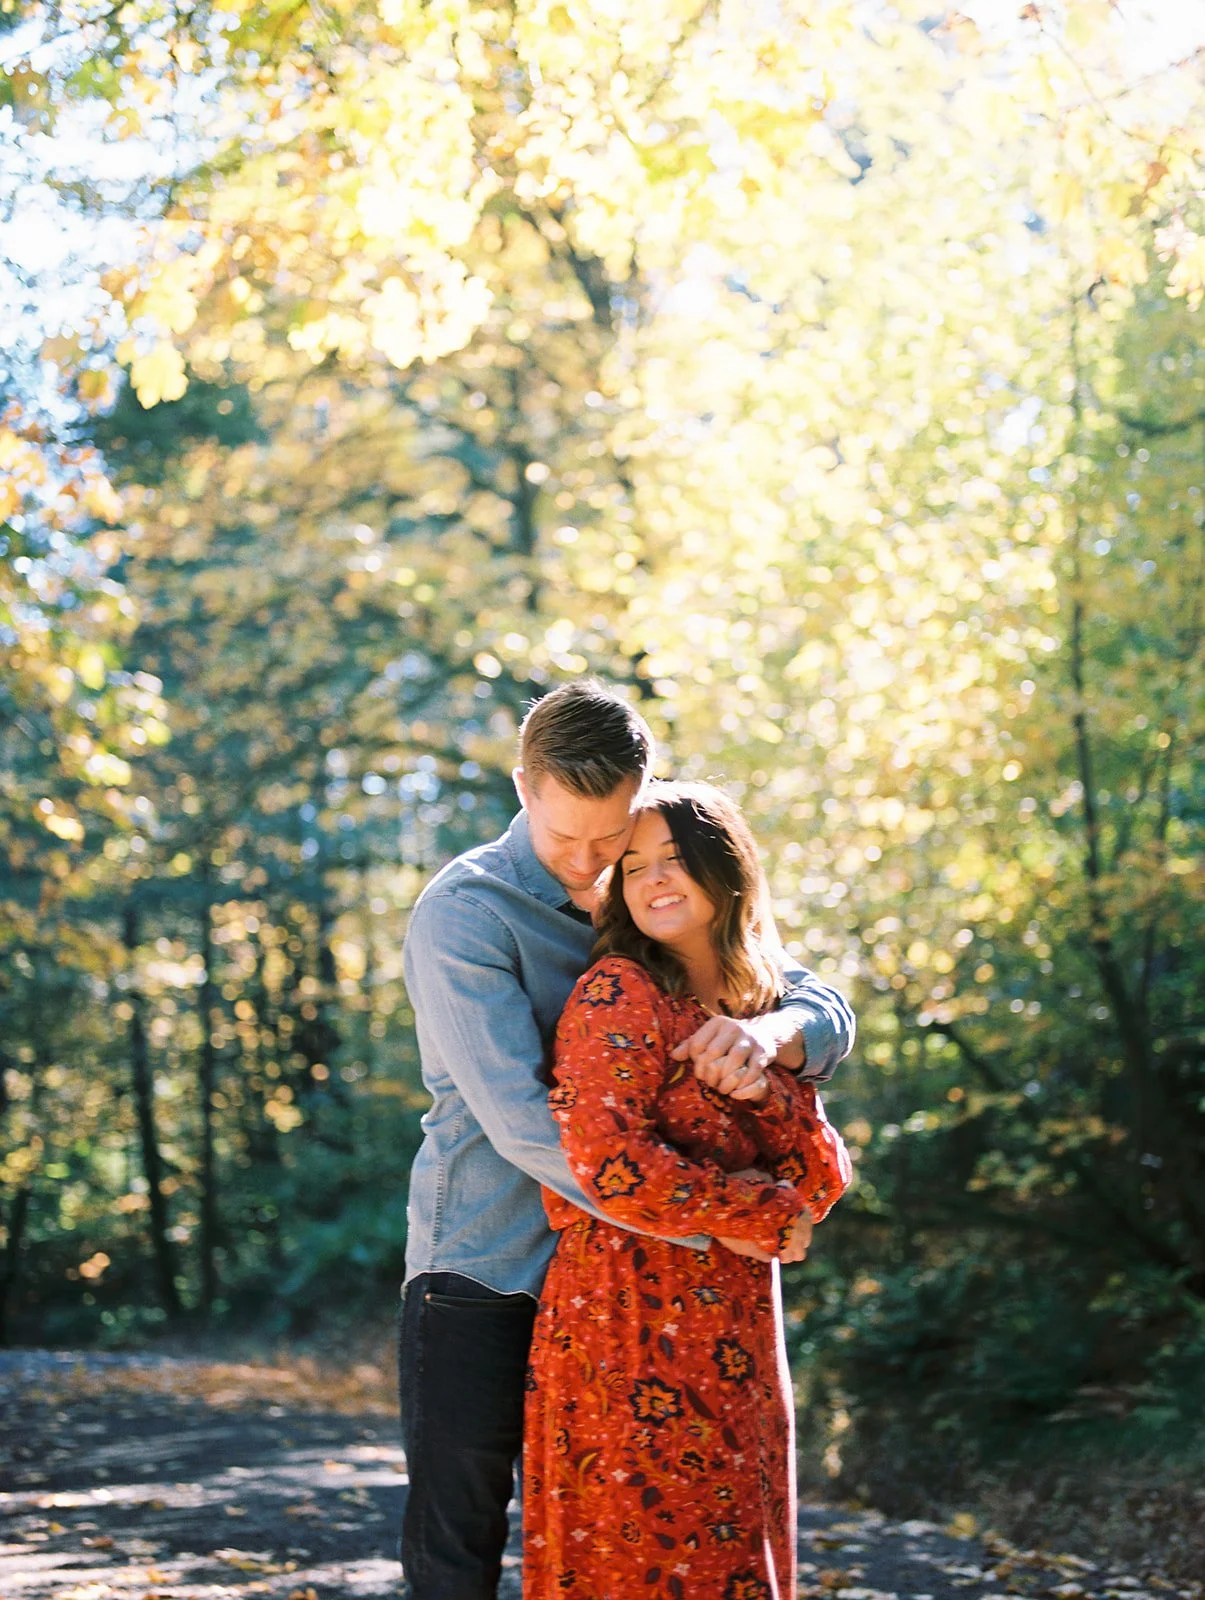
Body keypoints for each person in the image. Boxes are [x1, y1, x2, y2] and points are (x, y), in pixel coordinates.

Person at [399, 680, 855, 1600]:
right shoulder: (466, 915)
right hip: (484, 1268)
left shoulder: (654, 878)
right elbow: (528, 1126)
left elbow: (810, 999)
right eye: (566, 836)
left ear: (641, 792)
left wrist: (769, 1034)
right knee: (461, 1542)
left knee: (627, 1533)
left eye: (608, 835)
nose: (588, 860)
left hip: (621, 1281)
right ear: (523, 789)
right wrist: (720, 1226)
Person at [524, 782, 852, 1600]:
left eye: (674, 859)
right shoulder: (617, 992)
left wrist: (757, 1083)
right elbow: (609, 1163)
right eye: (633, 867)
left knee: (738, 1552)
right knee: (638, 1559)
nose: (654, 880)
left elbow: (822, 1174)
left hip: (738, 1320)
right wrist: (755, 1210)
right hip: (626, 1318)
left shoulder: (762, 1006)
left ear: (725, 866)